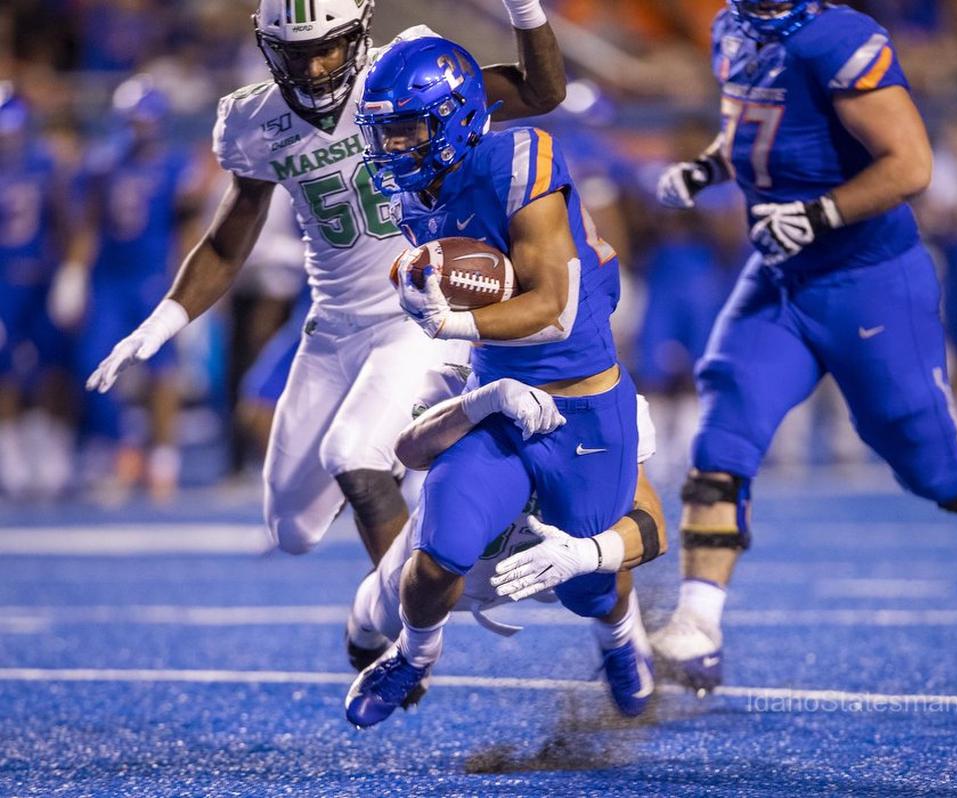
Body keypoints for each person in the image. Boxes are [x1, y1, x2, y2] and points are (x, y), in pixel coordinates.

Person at [651, 1, 957, 695]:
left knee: (933, 468)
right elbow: (758, 131)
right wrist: (708, 171)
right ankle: (699, 622)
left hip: (869, 282)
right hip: (780, 273)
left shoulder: (839, 38)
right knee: (725, 424)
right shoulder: (734, 27)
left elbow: (911, 163)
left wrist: (820, 213)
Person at [81, 1, 566, 593]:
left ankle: (405, 623)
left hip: (417, 314)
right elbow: (227, 242)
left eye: (326, 49)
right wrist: (160, 324)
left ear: (359, 33)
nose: (312, 69)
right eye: (295, 53)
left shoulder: (402, 73)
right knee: (292, 529)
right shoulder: (255, 118)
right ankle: (435, 481)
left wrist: (525, 10)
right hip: (332, 323)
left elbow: (540, 93)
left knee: (356, 459)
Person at [344, 36, 659, 725]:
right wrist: (461, 363)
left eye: (406, 129)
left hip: (580, 402)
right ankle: (416, 654)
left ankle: (621, 633)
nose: (392, 148)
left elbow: (553, 308)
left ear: (456, 117)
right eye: (382, 132)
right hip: (498, 398)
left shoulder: (520, 159)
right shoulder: (412, 198)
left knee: (587, 588)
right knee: (438, 557)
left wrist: (450, 326)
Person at [345, 361, 666, 711]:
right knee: (388, 609)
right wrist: (484, 402)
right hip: (461, 558)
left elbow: (648, 517)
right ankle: (395, 647)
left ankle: (618, 638)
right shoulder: (456, 377)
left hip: (552, 552)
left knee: (606, 535)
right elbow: (412, 453)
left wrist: (588, 553)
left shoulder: (612, 401)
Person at [54, 75, 208, 502]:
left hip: (156, 277)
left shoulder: (178, 166)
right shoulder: (102, 163)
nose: (140, 129)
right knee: (97, 363)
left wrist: (191, 291)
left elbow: (188, 229)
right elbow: (88, 223)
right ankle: (120, 449)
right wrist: (73, 272)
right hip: (109, 278)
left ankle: (162, 459)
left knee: (162, 371)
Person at [0, 86, 75, 499]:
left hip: (42, 277)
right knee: (4, 367)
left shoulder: (45, 164)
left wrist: (71, 272)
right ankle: (9, 448)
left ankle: (52, 443)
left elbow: (67, 221)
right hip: (1, 281)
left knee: (53, 364)